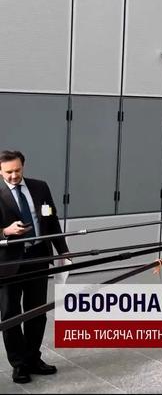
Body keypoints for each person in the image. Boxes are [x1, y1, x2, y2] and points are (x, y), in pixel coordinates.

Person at [0, 150, 68, 384]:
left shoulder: (40, 187)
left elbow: (51, 220)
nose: (13, 175)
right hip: (8, 263)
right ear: (0, 171)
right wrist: (5, 231)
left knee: (37, 311)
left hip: (38, 257)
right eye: (8, 172)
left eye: (17, 170)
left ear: (23, 166)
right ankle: (19, 364)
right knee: (10, 315)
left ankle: (33, 358)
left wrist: (63, 250)